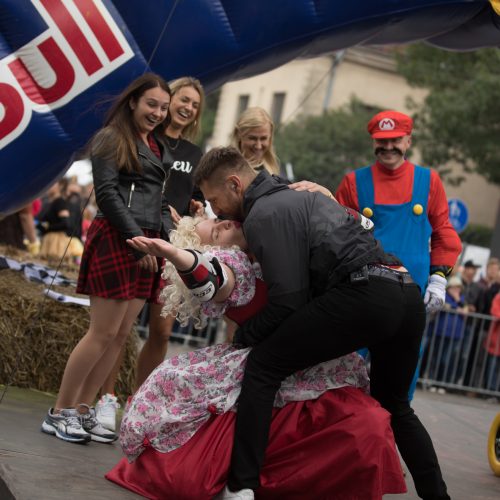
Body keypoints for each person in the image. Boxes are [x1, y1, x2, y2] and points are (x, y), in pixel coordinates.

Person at [190, 146, 450, 500]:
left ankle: (241, 486)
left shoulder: (264, 213)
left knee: (263, 366)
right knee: (396, 404)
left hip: (366, 294)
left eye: (214, 199)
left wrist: (245, 337)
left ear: (235, 184)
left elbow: (288, 301)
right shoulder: (297, 192)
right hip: (405, 291)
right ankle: (439, 496)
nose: (215, 210)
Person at [106, 216, 407, 499]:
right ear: (215, 249)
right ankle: (244, 484)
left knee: (366, 425)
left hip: (311, 355)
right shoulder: (232, 264)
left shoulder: (265, 242)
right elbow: (210, 276)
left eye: (219, 218)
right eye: (216, 231)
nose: (224, 223)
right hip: (277, 362)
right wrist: (176, 254)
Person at [40, 73, 172, 444]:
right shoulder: (111, 138)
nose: (158, 113)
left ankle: (83, 410)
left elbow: (158, 199)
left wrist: (167, 241)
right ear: (133, 101)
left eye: (164, 107)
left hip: (146, 244)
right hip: (118, 239)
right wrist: (136, 238)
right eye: (152, 104)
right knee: (102, 332)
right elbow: (108, 195)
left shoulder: (157, 146)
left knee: (119, 335)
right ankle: (60, 411)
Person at [95, 77, 206, 431]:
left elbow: (199, 195)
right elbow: (113, 187)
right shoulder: (142, 136)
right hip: (137, 236)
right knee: (119, 329)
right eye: (182, 100)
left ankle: (138, 401)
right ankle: (103, 398)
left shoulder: (193, 153)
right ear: (165, 102)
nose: (187, 108)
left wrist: (196, 207)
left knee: (161, 328)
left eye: (195, 105)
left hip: (172, 246)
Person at [336, 110, 462, 398]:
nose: (388, 147)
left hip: (409, 299)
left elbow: (444, 231)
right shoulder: (353, 182)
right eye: (382, 141)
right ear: (373, 142)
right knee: (341, 371)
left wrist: (439, 277)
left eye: (395, 140)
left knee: (399, 381)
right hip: (362, 293)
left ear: (408, 141)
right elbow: (336, 235)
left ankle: (388, 434)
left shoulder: (429, 181)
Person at [37, 179, 84, 263]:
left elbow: (65, 223)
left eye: (53, 183)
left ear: (60, 186)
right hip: (48, 239)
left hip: (56, 242)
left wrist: (47, 228)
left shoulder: (60, 202)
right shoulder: (50, 202)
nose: (49, 186)